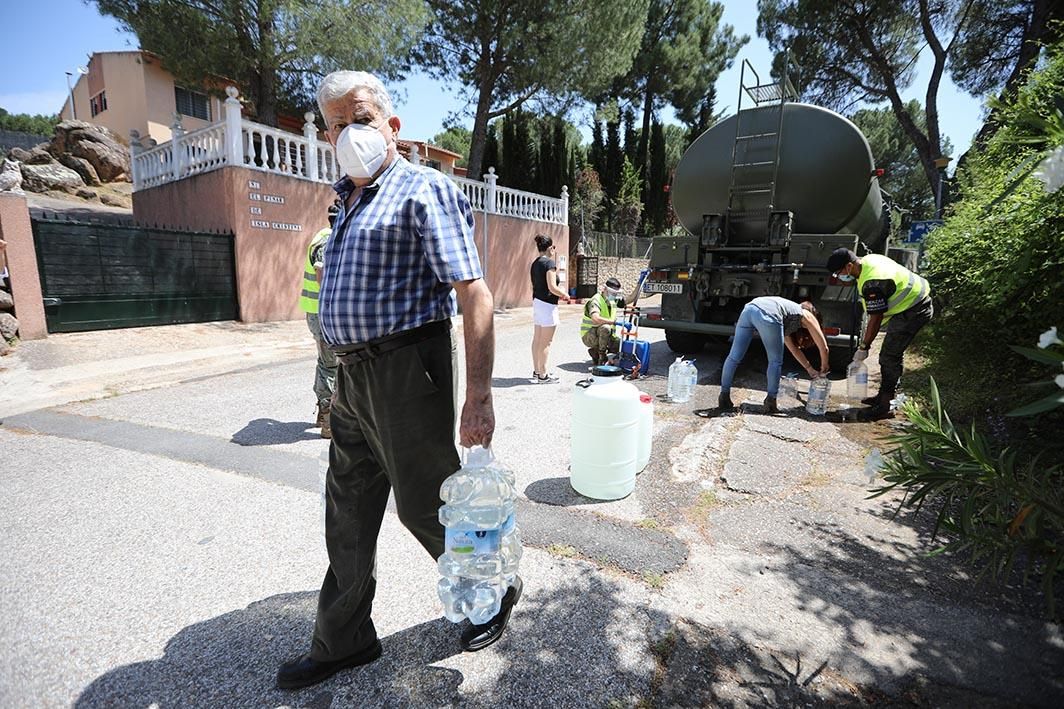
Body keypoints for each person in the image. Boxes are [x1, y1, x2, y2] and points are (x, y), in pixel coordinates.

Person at [276, 71, 510, 691]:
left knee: (426, 504)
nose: (348, 134)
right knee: (347, 510)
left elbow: (474, 293)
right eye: (334, 125)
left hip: (409, 370)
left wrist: (479, 395)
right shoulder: (344, 201)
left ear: (392, 127)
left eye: (359, 118)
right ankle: (344, 639)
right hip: (350, 376)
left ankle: (490, 592)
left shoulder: (421, 190)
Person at [826, 247, 932, 420]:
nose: (839, 277)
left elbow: (875, 318)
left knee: (889, 357)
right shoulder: (869, 260)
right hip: (911, 303)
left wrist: (864, 347)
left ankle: (886, 406)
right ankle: (884, 396)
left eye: (839, 273)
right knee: (891, 355)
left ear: (849, 266)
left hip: (915, 309)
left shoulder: (873, 282)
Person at [718, 297, 830, 414]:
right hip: (768, 314)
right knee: (775, 361)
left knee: (733, 357)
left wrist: (810, 369)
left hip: (749, 309)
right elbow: (824, 347)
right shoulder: (807, 315)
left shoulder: (788, 316)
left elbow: (794, 350)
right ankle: (771, 402)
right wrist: (824, 366)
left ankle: (724, 397)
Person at [298, 202, 340, 438]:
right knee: (331, 365)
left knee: (328, 362)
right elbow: (322, 275)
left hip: (317, 312)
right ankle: (327, 419)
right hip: (324, 313)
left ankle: (324, 413)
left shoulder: (323, 236)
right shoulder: (327, 240)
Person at [529, 234, 570, 383]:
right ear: (550, 248)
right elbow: (552, 287)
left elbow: (535, 285)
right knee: (546, 342)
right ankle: (543, 375)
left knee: (537, 340)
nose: (554, 250)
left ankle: (537, 371)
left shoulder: (535, 263)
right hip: (548, 305)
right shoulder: (550, 264)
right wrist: (565, 294)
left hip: (538, 303)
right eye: (553, 247)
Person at [581, 277, 629, 365]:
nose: (613, 295)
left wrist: (639, 283)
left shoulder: (612, 300)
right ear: (604, 289)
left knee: (622, 345)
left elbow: (629, 300)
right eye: (612, 293)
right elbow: (595, 318)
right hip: (589, 336)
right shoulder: (596, 300)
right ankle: (601, 357)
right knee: (605, 327)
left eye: (615, 293)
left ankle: (595, 352)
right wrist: (613, 322)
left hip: (607, 335)